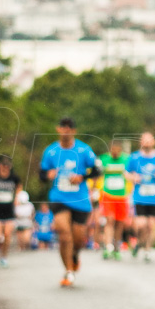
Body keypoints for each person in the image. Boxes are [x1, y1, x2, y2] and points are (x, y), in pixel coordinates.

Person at [40, 117, 101, 287]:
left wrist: (82, 176)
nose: (66, 130)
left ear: (74, 131)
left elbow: (97, 169)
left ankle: (74, 257)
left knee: (78, 239)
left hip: (80, 200)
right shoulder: (51, 151)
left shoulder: (83, 150)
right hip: (59, 198)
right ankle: (68, 271)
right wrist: (48, 175)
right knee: (63, 233)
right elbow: (41, 174)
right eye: (63, 127)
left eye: (69, 127)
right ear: (58, 129)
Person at [126, 132, 155, 263]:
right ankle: (139, 241)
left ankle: (147, 250)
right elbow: (125, 173)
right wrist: (133, 178)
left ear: (153, 142)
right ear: (141, 142)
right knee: (140, 225)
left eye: (149, 140)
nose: (147, 143)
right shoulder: (134, 157)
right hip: (140, 197)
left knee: (151, 225)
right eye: (145, 140)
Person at [99, 140, 131, 260]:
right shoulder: (103, 159)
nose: (115, 152)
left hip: (122, 196)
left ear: (120, 149)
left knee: (119, 223)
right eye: (113, 150)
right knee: (110, 220)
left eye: (117, 150)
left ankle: (117, 247)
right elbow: (96, 172)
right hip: (108, 195)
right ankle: (108, 247)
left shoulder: (127, 159)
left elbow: (132, 172)